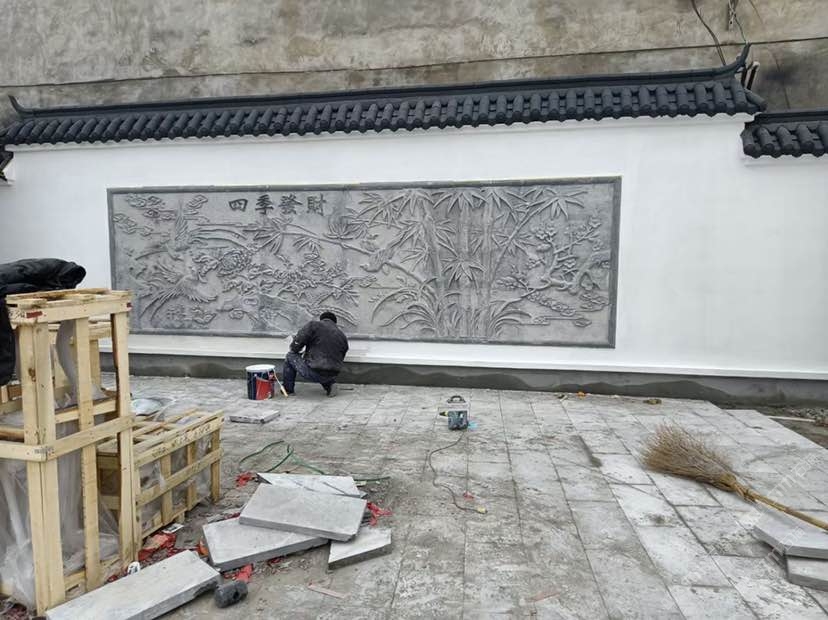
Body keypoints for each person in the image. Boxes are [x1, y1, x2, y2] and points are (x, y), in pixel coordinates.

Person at [282, 311, 348, 396]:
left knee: (290, 356)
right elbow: (340, 356)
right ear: (334, 323)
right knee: (323, 368)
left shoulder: (314, 325)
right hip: (333, 374)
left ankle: (288, 389)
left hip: (313, 371)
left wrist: (295, 348)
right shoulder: (342, 336)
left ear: (321, 319)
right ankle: (330, 384)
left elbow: (298, 341)